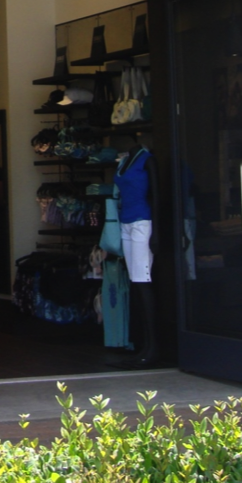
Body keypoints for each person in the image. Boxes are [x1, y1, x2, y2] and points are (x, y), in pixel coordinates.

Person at [112, 132, 158, 365]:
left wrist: (157, 232)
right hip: (126, 222)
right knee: (135, 282)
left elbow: (156, 197)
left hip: (142, 222)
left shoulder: (147, 160)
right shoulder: (124, 162)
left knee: (142, 281)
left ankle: (153, 347)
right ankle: (141, 344)